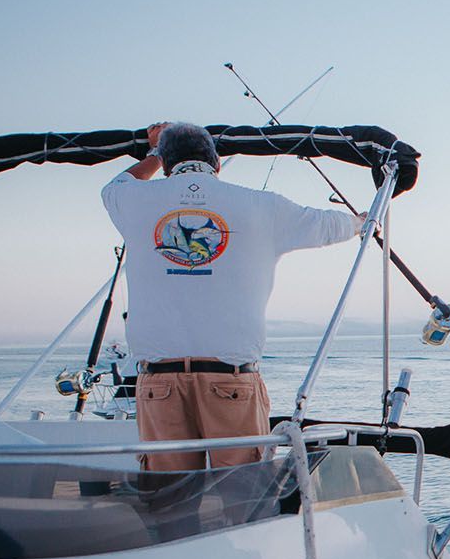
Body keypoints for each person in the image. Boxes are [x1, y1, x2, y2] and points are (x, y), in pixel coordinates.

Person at [101, 122, 364, 471]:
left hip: (159, 382)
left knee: (167, 501)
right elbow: (332, 226)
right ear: (217, 163)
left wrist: (152, 151)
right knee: (242, 495)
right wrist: (362, 221)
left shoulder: (133, 201)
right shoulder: (263, 206)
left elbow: (114, 185)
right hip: (232, 379)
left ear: (165, 165)